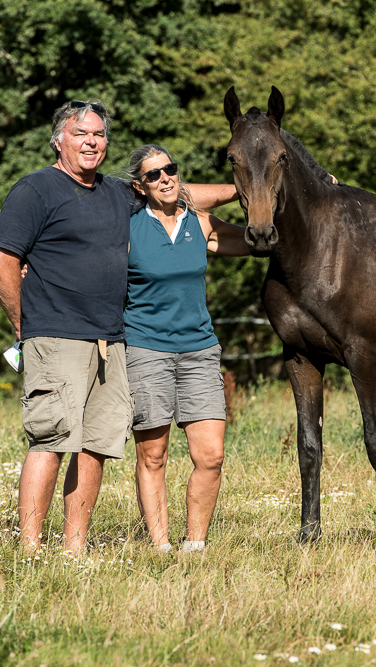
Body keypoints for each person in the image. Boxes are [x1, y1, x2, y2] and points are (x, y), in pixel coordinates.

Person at [0, 101, 236, 555]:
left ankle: (75, 547)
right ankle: (29, 548)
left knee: (96, 444)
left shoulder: (117, 193)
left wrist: (246, 187)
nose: (92, 142)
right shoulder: (36, 190)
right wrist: (25, 327)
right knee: (51, 439)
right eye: (82, 132)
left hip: (111, 339)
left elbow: (179, 195)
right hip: (55, 334)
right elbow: (2, 260)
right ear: (59, 138)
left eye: (99, 135)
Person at [123, 144, 248, 553]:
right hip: (146, 348)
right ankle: (160, 545)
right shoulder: (128, 228)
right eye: (154, 175)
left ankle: (195, 545)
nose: (165, 178)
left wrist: (311, 193)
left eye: (170, 170)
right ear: (140, 186)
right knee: (153, 455)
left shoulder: (201, 223)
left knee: (210, 455)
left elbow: (259, 240)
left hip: (199, 350)